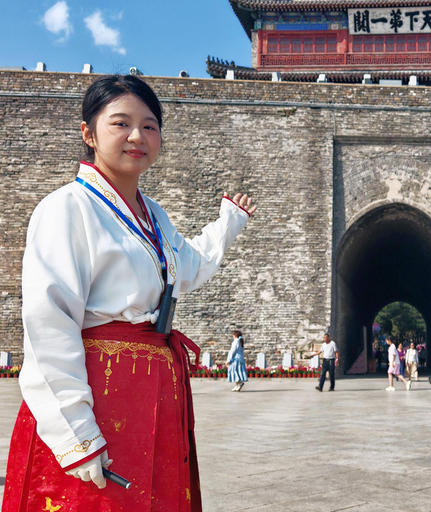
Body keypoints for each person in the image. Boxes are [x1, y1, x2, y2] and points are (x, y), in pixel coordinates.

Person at [2, 74, 256, 512]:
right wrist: (76, 432)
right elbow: (49, 323)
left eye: (150, 126)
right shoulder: (67, 207)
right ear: (88, 133)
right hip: (98, 392)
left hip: (153, 391)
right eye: (121, 123)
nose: (137, 136)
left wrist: (228, 224)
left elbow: (187, 267)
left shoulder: (152, 215)